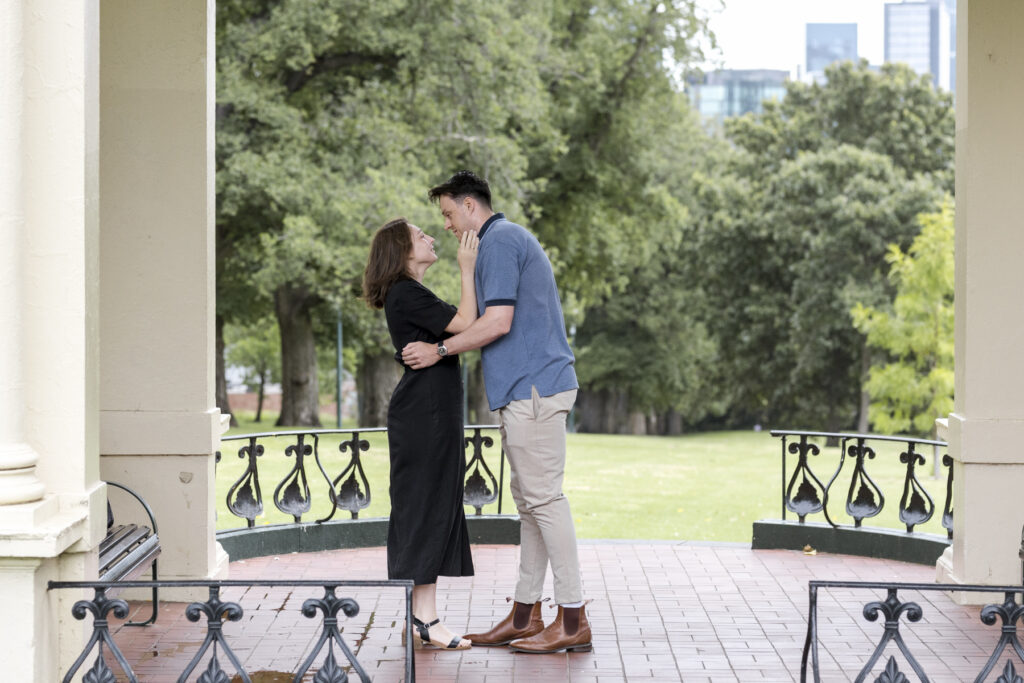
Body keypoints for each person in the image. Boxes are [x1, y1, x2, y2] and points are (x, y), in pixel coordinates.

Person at [401, 171, 591, 654]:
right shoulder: (495, 244)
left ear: (470, 206)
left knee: (545, 501)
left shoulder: (501, 241)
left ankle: (573, 619)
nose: (446, 224)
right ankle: (525, 615)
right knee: (530, 505)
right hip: (523, 390)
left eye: (448, 213)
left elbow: (498, 321)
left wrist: (439, 350)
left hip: (534, 389)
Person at [362, 217, 480, 650]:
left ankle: (423, 618)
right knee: (424, 508)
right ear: (402, 251)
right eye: (419, 235)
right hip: (424, 415)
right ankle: (423, 619)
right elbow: (467, 323)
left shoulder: (411, 292)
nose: (431, 237)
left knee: (432, 506)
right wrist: (467, 266)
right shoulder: (406, 292)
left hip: (430, 414)